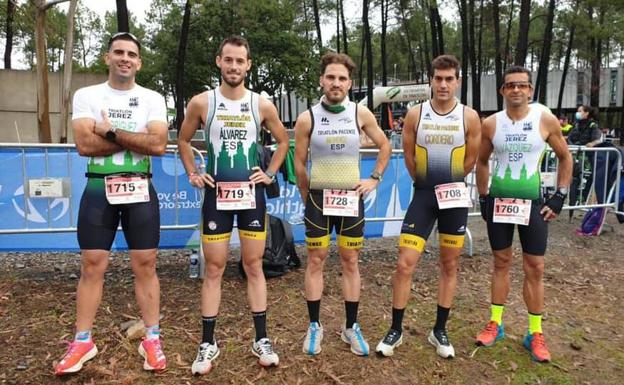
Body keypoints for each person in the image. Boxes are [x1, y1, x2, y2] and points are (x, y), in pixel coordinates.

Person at [54, 32, 169, 375]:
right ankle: (82, 341)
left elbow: (159, 145)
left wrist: (109, 132)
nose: (125, 58)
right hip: (98, 189)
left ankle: (152, 337)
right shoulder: (87, 95)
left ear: (139, 62)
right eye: (118, 52)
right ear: (108, 58)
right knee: (92, 264)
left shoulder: (152, 98)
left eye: (131, 54)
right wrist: (136, 140)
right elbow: (84, 145)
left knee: (146, 263)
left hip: (139, 188)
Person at [177, 35, 289, 375]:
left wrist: (269, 173)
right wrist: (193, 172)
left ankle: (262, 339)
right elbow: (182, 139)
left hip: (251, 197)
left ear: (248, 65)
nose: (234, 66)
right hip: (216, 197)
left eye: (240, 61)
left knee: (254, 266)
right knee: (214, 268)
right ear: (219, 62)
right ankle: (207, 343)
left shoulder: (261, 104)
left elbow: (284, 140)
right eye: (229, 60)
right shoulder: (201, 102)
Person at [376, 55, 481, 359]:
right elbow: (409, 157)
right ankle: (395, 329)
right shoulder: (415, 114)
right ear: (431, 80)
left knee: (449, 264)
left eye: (449, 79)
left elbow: (470, 160)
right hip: (423, 196)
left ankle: (439, 330)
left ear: (457, 81)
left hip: (454, 198)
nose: (444, 84)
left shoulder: (469, 117)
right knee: (404, 263)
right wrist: (427, 183)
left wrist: (450, 181)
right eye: (438, 78)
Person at [294, 52, 391, 356]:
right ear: (322, 80)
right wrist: (307, 196)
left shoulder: (360, 114)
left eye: (342, 78)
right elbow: (298, 163)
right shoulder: (307, 117)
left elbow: (385, 145)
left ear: (350, 83)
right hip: (319, 199)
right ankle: (314, 326)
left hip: (351, 198)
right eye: (331, 77)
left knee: (350, 261)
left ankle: (351, 326)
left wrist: (374, 177)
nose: (336, 83)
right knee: (316, 260)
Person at [474, 65, 572, 362]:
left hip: (532, 204)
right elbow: (481, 162)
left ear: (530, 90)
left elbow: (565, 157)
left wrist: (559, 197)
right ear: (502, 91)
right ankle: (496, 323)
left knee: (535, 267)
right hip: (500, 204)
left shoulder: (544, 119)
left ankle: (534, 332)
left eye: (522, 85)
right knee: (501, 262)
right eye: (510, 86)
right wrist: (483, 198)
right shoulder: (491, 123)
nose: (516, 90)